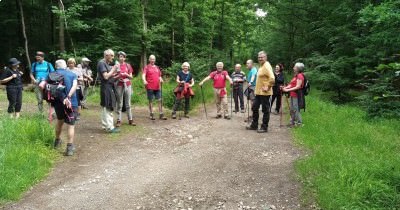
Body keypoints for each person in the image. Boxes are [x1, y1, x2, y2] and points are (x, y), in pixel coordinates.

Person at [52, 59, 78, 156]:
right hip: (71, 102)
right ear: (65, 65)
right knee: (71, 125)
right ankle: (69, 148)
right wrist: (69, 96)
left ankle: (57, 141)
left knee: (60, 121)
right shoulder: (71, 74)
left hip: (58, 103)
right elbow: (75, 86)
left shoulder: (52, 75)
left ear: (56, 66)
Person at [246, 51, 275, 133]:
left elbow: (272, 78)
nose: (260, 59)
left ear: (266, 57)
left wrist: (268, 86)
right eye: (259, 57)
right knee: (254, 107)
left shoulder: (267, 66)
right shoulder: (261, 66)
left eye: (262, 57)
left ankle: (264, 127)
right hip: (258, 92)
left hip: (265, 93)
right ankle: (254, 125)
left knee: (265, 110)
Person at [98, 49, 120, 133]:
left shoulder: (105, 64)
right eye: (112, 55)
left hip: (107, 87)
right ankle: (110, 127)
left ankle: (105, 125)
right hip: (106, 88)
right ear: (107, 55)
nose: (113, 58)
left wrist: (116, 75)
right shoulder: (101, 63)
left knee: (105, 106)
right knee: (108, 106)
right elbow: (106, 77)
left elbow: (109, 76)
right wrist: (114, 68)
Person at [142, 55, 167, 120]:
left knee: (159, 100)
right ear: (149, 59)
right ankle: (151, 114)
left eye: (154, 59)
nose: (152, 60)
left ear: (155, 60)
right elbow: (143, 75)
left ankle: (161, 114)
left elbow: (159, 76)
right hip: (150, 86)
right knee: (151, 100)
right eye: (151, 59)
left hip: (157, 87)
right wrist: (144, 80)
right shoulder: (147, 67)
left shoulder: (157, 67)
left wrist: (161, 79)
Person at [115, 51, 136, 127]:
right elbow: (113, 77)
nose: (122, 58)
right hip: (119, 85)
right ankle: (118, 120)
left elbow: (131, 77)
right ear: (118, 57)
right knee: (119, 103)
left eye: (123, 56)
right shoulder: (116, 66)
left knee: (128, 103)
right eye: (120, 56)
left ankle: (130, 119)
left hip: (127, 84)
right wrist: (119, 77)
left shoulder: (128, 65)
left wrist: (126, 74)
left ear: (125, 58)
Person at [282, 62, 305, 127]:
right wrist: (285, 87)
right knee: (292, 109)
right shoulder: (296, 75)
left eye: (294, 67)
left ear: (298, 68)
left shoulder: (300, 76)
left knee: (296, 109)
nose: (293, 68)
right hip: (293, 95)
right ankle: (293, 122)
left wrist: (287, 90)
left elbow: (298, 86)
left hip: (297, 95)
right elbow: (291, 84)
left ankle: (299, 123)